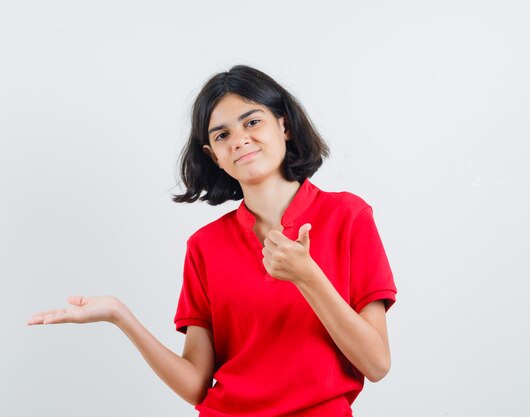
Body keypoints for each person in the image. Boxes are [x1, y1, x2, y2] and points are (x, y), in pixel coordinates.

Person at [27, 65, 397, 417]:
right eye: (222, 135)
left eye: (252, 121)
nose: (240, 140)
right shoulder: (205, 246)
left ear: (283, 125)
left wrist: (307, 276)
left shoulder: (348, 217)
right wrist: (121, 317)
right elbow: (196, 385)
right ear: (213, 155)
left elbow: (377, 363)